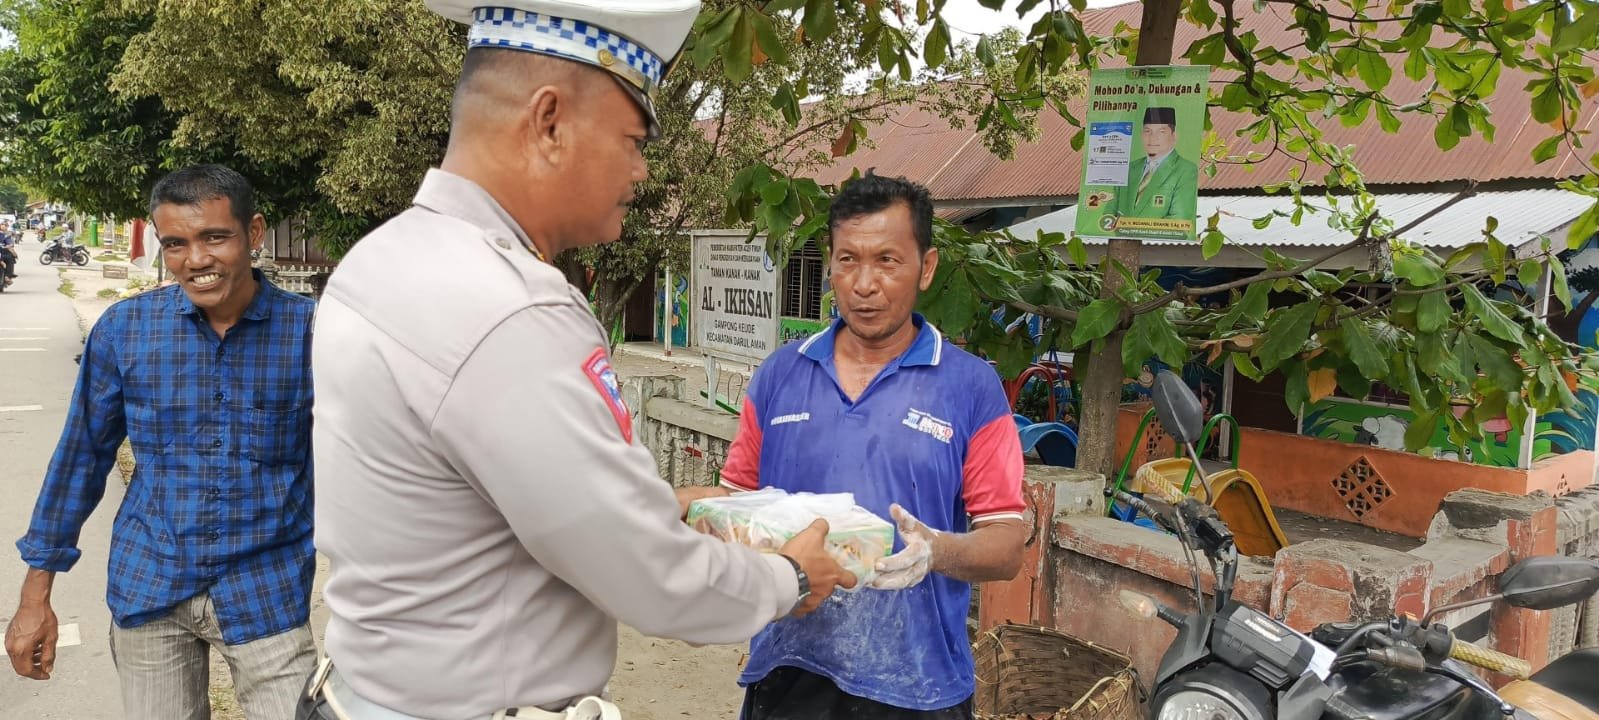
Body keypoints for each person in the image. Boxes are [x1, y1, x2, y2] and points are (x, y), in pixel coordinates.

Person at [297, 1, 854, 719]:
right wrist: (785, 577)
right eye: (631, 138)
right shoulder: (508, 308)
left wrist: (656, 508)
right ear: (549, 121)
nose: (641, 169)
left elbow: (465, 506)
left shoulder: (381, 259)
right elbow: (647, 576)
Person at [5, 164, 318, 720]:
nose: (195, 260)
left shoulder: (315, 334)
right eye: (176, 244)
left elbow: (364, 467)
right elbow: (81, 459)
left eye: (214, 237)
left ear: (255, 232)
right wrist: (36, 595)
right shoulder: (126, 331)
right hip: (150, 584)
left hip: (266, 591)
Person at [716, 172, 1028, 720]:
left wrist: (936, 551)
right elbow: (732, 507)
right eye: (848, 260)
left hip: (919, 686)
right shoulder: (779, 376)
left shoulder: (971, 388)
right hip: (790, 670)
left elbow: (1005, 546)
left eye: (887, 260)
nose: (864, 284)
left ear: (925, 268)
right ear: (830, 264)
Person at [1106, 106, 1199, 222]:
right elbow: (1108, 215)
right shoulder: (1128, 168)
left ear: (1174, 136)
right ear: (1141, 135)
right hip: (1121, 239)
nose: (1153, 138)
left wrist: (1132, 229)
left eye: (1162, 132)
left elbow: (1179, 219)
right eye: (1147, 131)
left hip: (1157, 240)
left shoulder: (1186, 169)